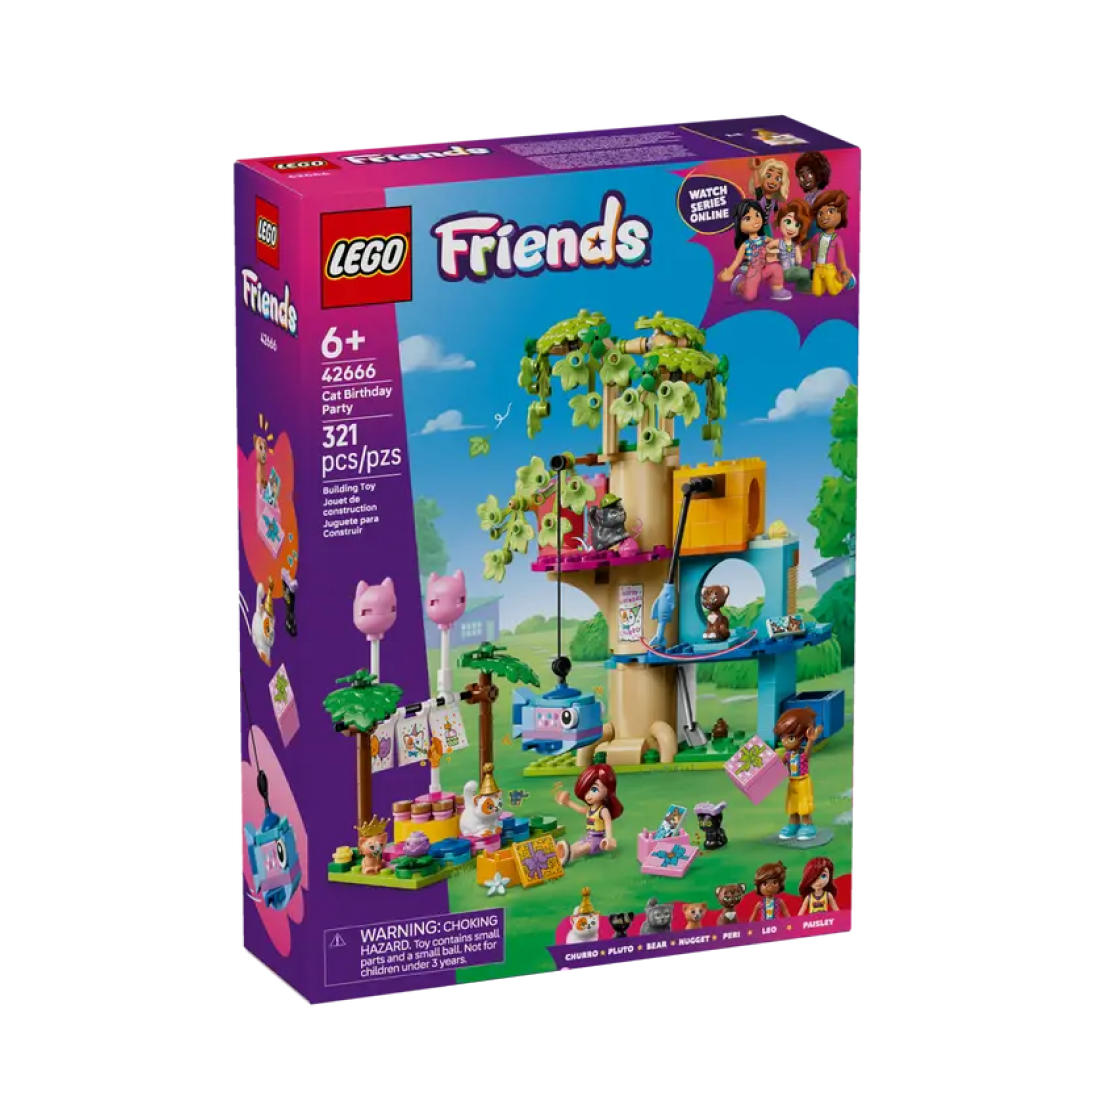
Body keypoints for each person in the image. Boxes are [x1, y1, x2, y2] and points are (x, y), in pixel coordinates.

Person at [719, 200, 790, 303]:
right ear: (739, 224)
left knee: (777, 268)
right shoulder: (745, 245)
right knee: (750, 297)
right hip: (753, 272)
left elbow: (776, 242)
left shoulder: (764, 238)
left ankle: (777, 290)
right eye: (748, 218)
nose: (755, 220)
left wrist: (782, 245)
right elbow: (737, 260)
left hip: (765, 268)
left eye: (757, 215)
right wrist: (730, 271)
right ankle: (740, 285)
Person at [553, 764, 624, 865]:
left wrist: (609, 838)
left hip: (598, 841)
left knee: (581, 850)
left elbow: (608, 824)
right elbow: (581, 809)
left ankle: (566, 857)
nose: (588, 795)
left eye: (594, 790)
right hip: (588, 838)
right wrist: (567, 802)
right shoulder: (590, 809)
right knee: (575, 845)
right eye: (586, 791)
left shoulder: (603, 811)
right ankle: (559, 852)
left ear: (607, 790)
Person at [775, 199, 814, 294]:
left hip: (793, 269)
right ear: (780, 221)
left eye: (797, 225)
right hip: (783, 271)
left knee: (805, 272)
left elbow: (798, 261)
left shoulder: (794, 245)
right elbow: (769, 248)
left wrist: (797, 250)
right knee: (805, 272)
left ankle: (803, 287)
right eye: (788, 221)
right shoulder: (778, 242)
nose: (792, 228)